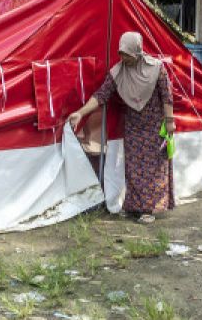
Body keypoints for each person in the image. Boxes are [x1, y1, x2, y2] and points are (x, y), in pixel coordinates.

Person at [68, 31, 175, 223]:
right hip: (134, 127)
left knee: (153, 169)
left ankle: (149, 210)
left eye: (127, 54)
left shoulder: (157, 69)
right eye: (121, 53)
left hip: (155, 127)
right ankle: (135, 207)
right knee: (134, 168)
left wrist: (169, 121)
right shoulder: (117, 73)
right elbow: (101, 95)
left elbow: (167, 96)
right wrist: (80, 113)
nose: (123, 57)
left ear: (137, 51)